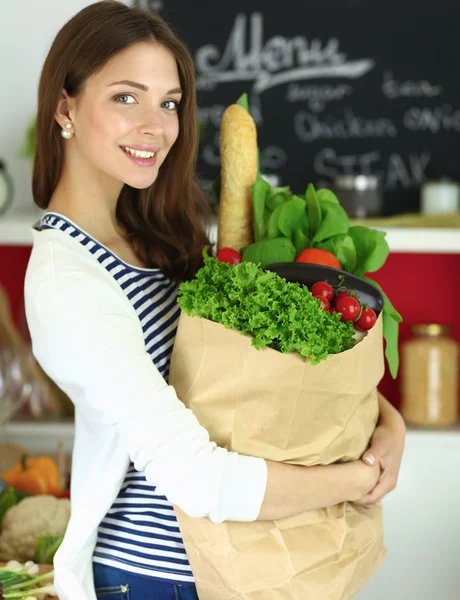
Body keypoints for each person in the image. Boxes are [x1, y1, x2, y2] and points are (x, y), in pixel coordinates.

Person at [24, 2, 406, 599]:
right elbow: (198, 478)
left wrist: (390, 425)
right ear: (65, 107)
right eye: (127, 97)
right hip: (160, 579)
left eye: (169, 102)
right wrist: (358, 476)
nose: (156, 126)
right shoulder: (66, 280)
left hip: (246, 562)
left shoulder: (165, 238)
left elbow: (263, 385)